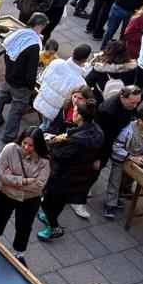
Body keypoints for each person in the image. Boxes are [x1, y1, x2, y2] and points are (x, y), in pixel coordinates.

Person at [38, 101, 104, 241]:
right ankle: (50, 216)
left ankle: (54, 227)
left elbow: (60, 155)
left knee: (46, 201)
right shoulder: (97, 132)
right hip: (80, 175)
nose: (72, 113)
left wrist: (52, 142)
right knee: (59, 201)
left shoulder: (75, 140)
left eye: (74, 111)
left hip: (63, 177)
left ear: (79, 116)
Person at [0, 13, 48, 143]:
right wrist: (30, 85)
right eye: (42, 27)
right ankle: (9, 136)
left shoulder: (17, 34)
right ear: (38, 26)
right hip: (20, 84)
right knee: (16, 110)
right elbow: (31, 69)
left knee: (1, 98)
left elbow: (6, 53)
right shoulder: (33, 45)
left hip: (9, 76)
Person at [0, 127, 50, 258]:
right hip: (4, 195)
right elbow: (0, 175)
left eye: (31, 145)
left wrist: (11, 180)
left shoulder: (44, 160)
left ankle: (19, 253)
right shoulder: (9, 149)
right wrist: (24, 181)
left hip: (29, 199)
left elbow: (39, 185)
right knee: (0, 217)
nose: (26, 147)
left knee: (24, 227)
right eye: (25, 143)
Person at [104, 104, 143, 218]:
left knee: (126, 181)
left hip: (135, 158)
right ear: (140, 121)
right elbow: (116, 147)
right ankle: (109, 205)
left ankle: (116, 198)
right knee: (115, 181)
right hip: (121, 158)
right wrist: (132, 157)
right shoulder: (127, 131)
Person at [33, 43, 91, 123]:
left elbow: (42, 78)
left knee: (43, 123)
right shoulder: (81, 83)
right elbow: (73, 104)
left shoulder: (56, 62)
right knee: (46, 127)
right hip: (54, 113)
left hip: (41, 102)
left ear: (73, 52)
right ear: (85, 60)